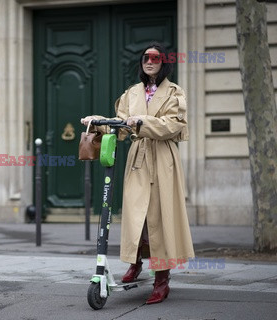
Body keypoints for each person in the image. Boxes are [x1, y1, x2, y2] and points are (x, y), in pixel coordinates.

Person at [81, 42, 195, 304]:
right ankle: (136, 261)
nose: (150, 61)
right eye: (146, 57)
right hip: (138, 159)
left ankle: (162, 278)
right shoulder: (131, 93)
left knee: (160, 215)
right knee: (136, 214)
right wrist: (97, 122)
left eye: (155, 57)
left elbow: (173, 125)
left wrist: (142, 122)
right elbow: (121, 127)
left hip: (163, 157)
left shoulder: (174, 92)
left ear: (164, 62)